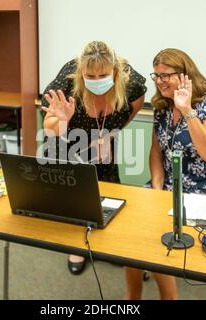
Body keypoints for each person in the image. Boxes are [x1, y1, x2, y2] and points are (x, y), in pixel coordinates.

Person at [124, 48, 206, 300]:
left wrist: (186, 110)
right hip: (169, 187)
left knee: (157, 234)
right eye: (157, 76)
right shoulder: (161, 107)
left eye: (166, 75)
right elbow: (156, 150)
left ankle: (169, 298)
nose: (160, 81)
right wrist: (157, 186)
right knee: (131, 227)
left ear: (185, 75)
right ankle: (132, 296)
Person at [41, 41, 147, 275]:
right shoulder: (66, 85)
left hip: (102, 141)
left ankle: (106, 243)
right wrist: (62, 120)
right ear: (81, 72)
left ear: (115, 71)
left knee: (108, 191)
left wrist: (109, 133)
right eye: (90, 75)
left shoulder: (132, 82)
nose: (97, 79)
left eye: (103, 74)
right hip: (66, 142)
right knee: (76, 197)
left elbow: (135, 106)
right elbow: (48, 128)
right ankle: (77, 246)